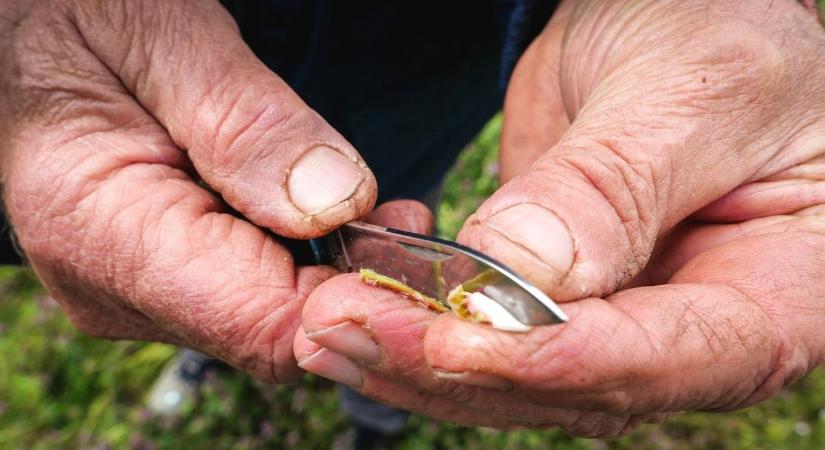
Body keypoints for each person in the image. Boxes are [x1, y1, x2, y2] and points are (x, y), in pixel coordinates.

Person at [1, 0, 824, 441]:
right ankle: (210, 362)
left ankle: (378, 410)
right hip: (155, 66)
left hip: (434, 45)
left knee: (385, 210)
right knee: (198, 263)